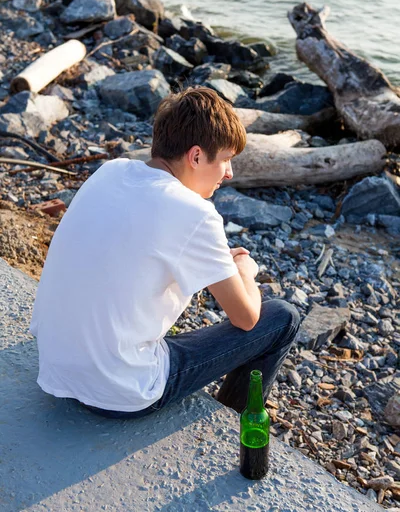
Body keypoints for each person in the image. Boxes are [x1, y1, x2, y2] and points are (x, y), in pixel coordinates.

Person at [30, 86, 300, 419]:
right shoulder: (195, 213)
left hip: (55, 365)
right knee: (283, 318)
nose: (229, 173)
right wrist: (245, 271)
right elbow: (246, 318)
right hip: (117, 390)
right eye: (227, 159)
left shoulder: (110, 171)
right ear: (197, 156)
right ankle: (235, 424)